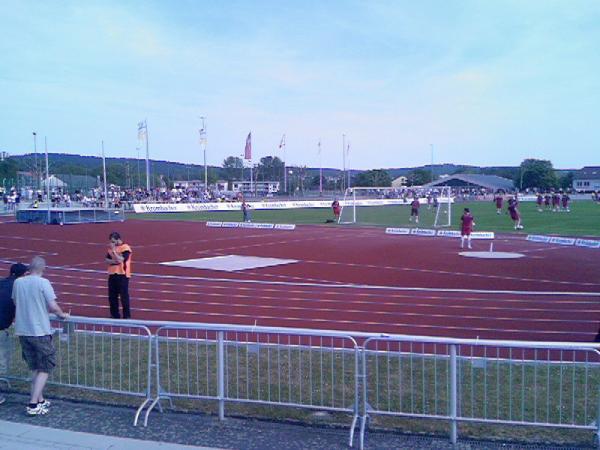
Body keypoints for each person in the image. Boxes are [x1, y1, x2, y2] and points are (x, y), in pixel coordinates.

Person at [12, 256, 69, 415]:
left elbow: (16, 302)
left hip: (23, 330)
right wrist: (62, 314)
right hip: (40, 331)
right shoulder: (44, 283)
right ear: (43, 269)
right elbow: (52, 305)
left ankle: (39, 399)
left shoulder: (18, 282)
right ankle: (32, 404)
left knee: (35, 366)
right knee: (45, 367)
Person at [0, 263, 29, 406]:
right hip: (0, 328)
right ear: (23, 275)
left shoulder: (2, 282)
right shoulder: (18, 287)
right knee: (1, 363)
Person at [105, 232, 132, 319]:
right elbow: (107, 260)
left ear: (118, 239)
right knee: (112, 296)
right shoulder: (110, 249)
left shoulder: (125, 248)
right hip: (112, 274)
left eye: (113, 241)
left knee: (124, 296)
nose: (111, 243)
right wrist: (115, 260)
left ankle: (126, 316)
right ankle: (114, 314)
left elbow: (121, 260)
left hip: (122, 274)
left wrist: (114, 253)